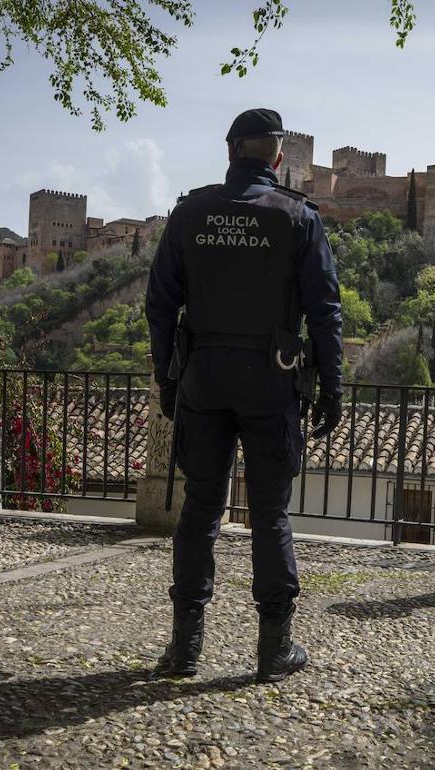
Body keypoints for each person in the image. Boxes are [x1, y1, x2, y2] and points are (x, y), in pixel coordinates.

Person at [145, 108, 344, 682]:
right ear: (277, 158)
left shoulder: (190, 213)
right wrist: (332, 385)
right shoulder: (297, 217)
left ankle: (185, 649)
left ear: (230, 153)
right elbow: (324, 310)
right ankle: (273, 649)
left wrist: (168, 377)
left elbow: (160, 304)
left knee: (200, 510)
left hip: (203, 380)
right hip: (270, 381)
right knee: (269, 514)